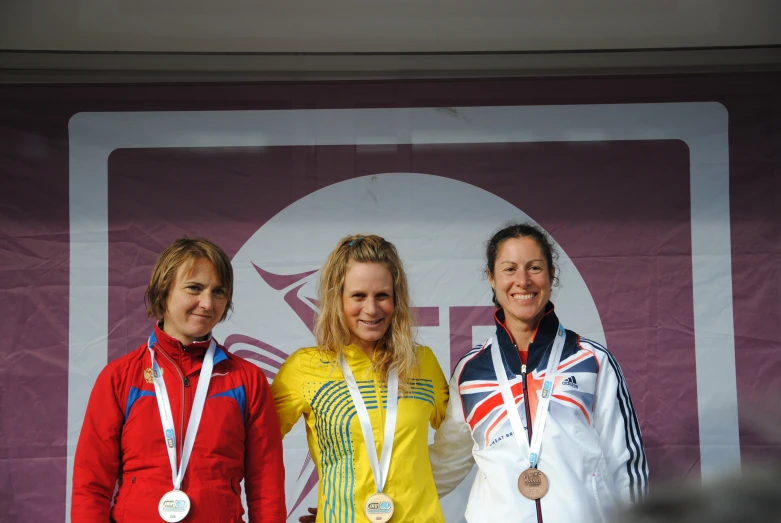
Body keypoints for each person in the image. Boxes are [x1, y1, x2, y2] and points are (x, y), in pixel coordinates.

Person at [430, 222, 648, 523]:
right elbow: (446, 462)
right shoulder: (471, 371)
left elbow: (626, 462)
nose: (523, 281)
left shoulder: (591, 360)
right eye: (509, 269)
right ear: (492, 278)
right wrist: (387, 494)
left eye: (534, 268)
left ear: (551, 275)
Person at [72, 237, 286, 523]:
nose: (207, 303)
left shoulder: (246, 379)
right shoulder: (120, 377)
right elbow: (91, 485)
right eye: (194, 288)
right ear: (164, 291)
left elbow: (267, 486)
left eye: (219, 291)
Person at [271, 234, 449, 523]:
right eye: (358, 296)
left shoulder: (423, 363)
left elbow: (464, 440)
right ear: (336, 298)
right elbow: (255, 446)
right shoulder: (305, 368)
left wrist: (424, 490)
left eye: (382, 295)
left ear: (396, 299)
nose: (371, 309)